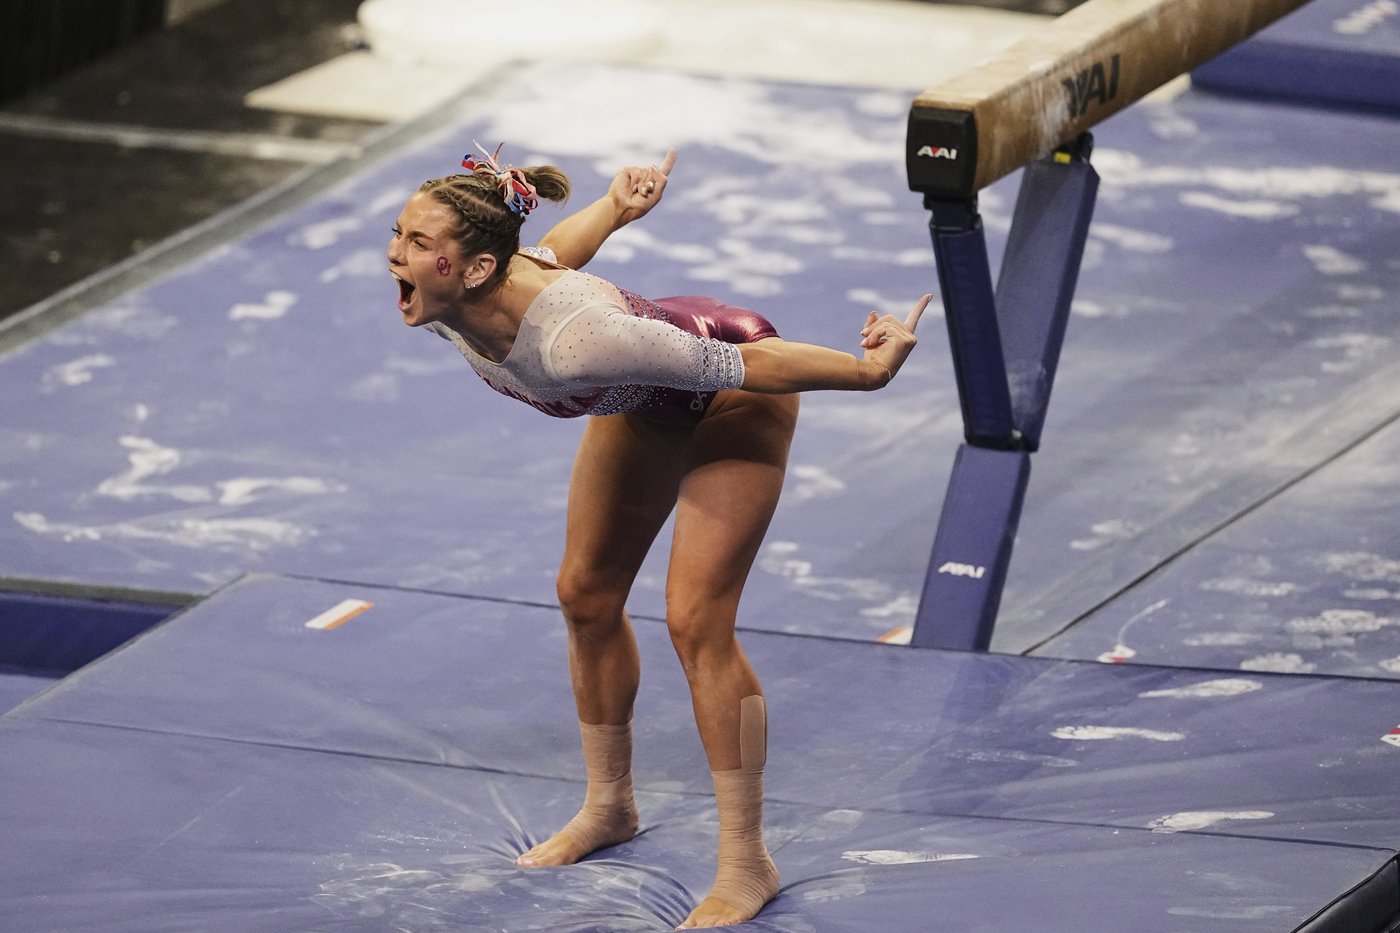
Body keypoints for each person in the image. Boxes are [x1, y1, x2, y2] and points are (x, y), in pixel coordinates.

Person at [387, 143, 929, 929]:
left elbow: (747, 360)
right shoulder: (451, 302)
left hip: (726, 392)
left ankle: (748, 861)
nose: (394, 255)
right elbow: (546, 254)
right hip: (645, 395)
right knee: (585, 595)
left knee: (695, 619)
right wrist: (613, 208)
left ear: (471, 269)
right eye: (398, 233)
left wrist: (864, 371)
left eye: (413, 242)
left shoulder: (580, 340)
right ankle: (610, 806)